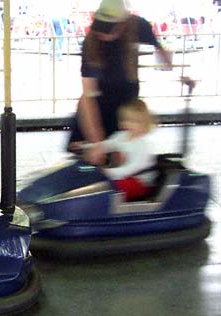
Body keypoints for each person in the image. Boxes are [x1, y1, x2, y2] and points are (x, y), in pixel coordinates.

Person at [67, 0, 172, 163]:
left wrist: (171, 65)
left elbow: (160, 48)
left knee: (122, 156)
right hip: (99, 104)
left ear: (123, 24)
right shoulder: (91, 44)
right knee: (86, 155)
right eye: (100, 26)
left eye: (108, 28)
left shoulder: (138, 26)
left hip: (125, 106)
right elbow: (88, 96)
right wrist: (97, 142)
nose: (102, 33)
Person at [84, 99, 157, 201]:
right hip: (123, 176)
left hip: (140, 182)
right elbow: (107, 145)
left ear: (144, 123)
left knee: (108, 188)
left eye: (134, 122)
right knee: (93, 182)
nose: (129, 124)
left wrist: (108, 172)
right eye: (126, 120)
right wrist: (87, 147)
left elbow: (132, 168)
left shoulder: (142, 145)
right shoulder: (121, 136)